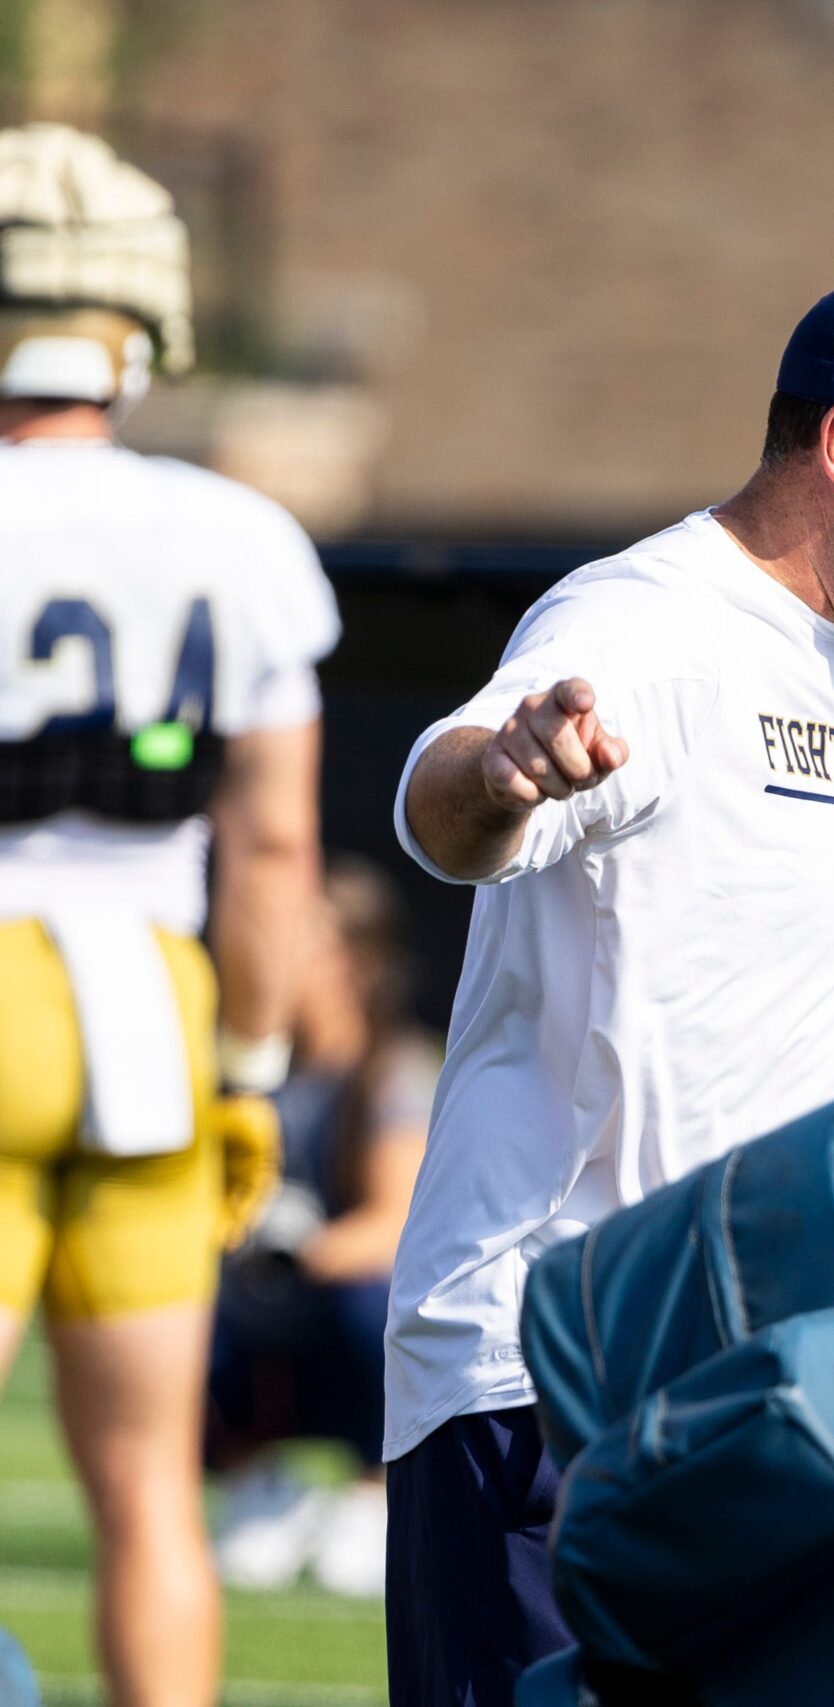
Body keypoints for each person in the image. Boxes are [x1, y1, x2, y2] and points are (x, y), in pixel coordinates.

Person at [384, 260, 834, 1706]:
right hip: (557, 1384)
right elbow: (442, 798)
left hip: (763, 1395)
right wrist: (510, 767)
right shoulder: (642, 621)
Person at [0, 124, 337, 1706]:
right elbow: (273, 845)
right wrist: (254, 1071)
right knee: (150, 1493)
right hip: (152, 1007)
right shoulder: (238, 536)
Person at [208, 858, 434, 1597]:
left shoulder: (394, 1070)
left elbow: (396, 1227)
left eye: (298, 939)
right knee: (168, 1307)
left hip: (347, 1331)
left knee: (373, 1300)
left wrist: (296, 1251)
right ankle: (265, 1487)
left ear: (351, 962)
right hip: (266, 1333)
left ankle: (376, 1495)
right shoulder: (247, 1071)